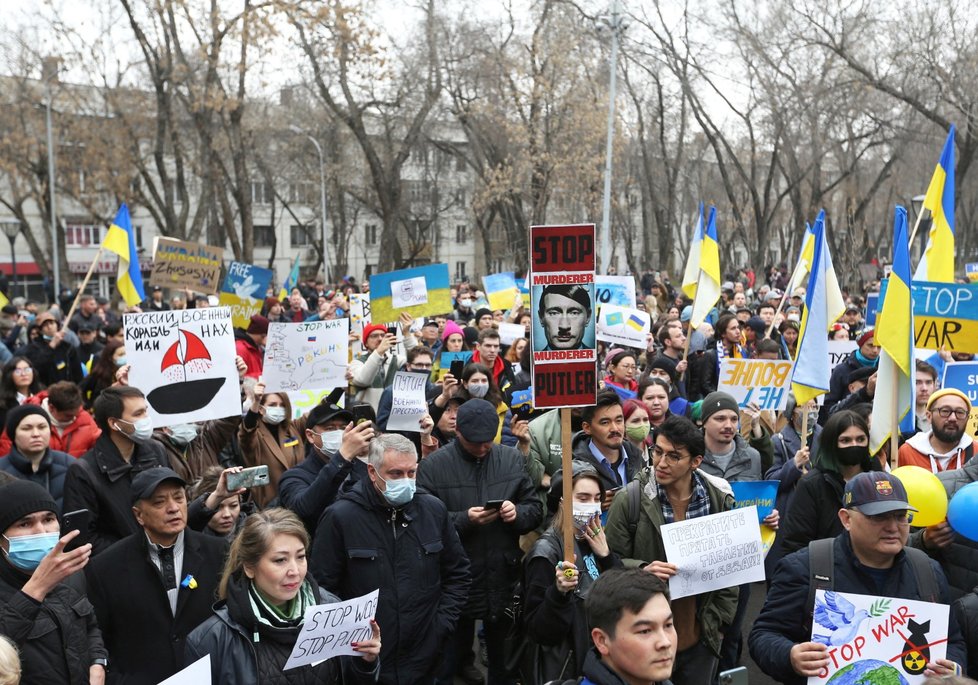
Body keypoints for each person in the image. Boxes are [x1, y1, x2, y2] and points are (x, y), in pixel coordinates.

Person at [749, 471, 966, 684]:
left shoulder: (927, 570)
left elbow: (953, 640)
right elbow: (764, 634)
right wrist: (790, 656)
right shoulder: (805, 567)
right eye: (878, 517)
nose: (892, 527)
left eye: (901, 516)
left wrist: (953, 667)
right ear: (846, 519)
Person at [312, 434, 470, 684]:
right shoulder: (341, 517)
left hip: (425, 658)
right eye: (396, 474)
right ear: (373, 473)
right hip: (367, 659)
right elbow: (322, 590)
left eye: (411, 473)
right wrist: (351, 641)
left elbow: (458, 574)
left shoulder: (433, 510)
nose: (406, 481)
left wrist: (441, 627)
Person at [417, 399, 542, 685]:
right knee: (448, 658)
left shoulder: (510, 459)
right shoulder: (434, 466)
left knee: (504, 662)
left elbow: (534, 509)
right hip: (454, 579)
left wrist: (516, 513)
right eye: (476, 443)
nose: (483, 448)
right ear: (458, 433)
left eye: (488, 442)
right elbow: (421, 523)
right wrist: (463, 520)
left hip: (503, 575)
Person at [604, 415, 736, 684]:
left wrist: (716, 625)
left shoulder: (717, 501)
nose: (661, 463)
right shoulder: (630, 500)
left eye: (674, 456)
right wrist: (641, 570)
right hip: (644, 643)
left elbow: (730, 571)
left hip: (699, 641)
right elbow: (608, 566)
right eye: (658, 452)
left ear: (695, 462)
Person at [186, 508, 380, 683]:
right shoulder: (211, 639)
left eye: (301, 556)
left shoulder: (331, 609)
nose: (294, 571)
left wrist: (365, 662)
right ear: (250, 568)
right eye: (280, 560)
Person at [86, 467, 228, 685]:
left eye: (179, 498)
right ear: (138, 515)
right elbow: (100, 638)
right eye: (159, 502)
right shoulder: (105, 567)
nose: (173, 508)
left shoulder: (218, 553)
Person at [522, 462, 623, 681]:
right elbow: (540, 631)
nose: (593, 506)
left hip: (600, 662)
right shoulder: (546, 553)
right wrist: (558, 594)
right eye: (583, 499)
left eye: (597, 499)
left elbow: (621, 598)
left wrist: (606, 557)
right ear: (563, 503)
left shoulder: (595, 539)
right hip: (569, 668)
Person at [0, 480, 106, 685]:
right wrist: (37, 587)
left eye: (49, 519)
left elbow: (90, 626)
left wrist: (98, 661)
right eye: (25, 524)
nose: (41, 531)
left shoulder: (72, 572)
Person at [62, 386, 170, 555]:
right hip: (121, 567)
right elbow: (82, 538)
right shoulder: (84, 471)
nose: (146, 419)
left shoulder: (156, 451)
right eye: (138, 414)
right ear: (113, 423)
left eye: (145, 412)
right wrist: (136, 551)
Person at [777, 410, 881, 559]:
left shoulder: (879, 479)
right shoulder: (812, 485)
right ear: (831, 443)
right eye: (845, 440)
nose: (854, 445)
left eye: (860, 439)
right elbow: (795, 544)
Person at [277, 402, 374, 535]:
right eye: (330, 428)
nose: (338, 433)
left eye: (343, 427)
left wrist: (365, 455)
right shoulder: (294, 476)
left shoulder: (359, 467)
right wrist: (342, 457)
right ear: (311, 436)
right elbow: (303, 510)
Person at [239, 378, 305, 508]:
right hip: (269, 507)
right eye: (273, 405)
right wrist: (256, 401)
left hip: (299, 500)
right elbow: (247, 432)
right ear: (261, 409)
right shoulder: (255, 434)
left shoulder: (293, 428)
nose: (278, 408)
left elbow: (317, 415)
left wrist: (340, 389)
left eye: (282, 405)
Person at [571, 389, 642, 505]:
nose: (615, 428)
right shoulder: (574, 467)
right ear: (587, 428)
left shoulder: (636, 457)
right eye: (605, 422)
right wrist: (591, 506)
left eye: (619, 420)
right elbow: (556, 516)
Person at [0, 405, 74, 512]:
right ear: (13, 434)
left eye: (42, 427)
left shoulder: (69, 465)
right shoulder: (2, 471)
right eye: (27, 428)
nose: (36, 434)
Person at [898, 388, 978, 472]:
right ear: (929, 416)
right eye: (945, 411)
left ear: (967, 418)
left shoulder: (976, 450)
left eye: (960, 412)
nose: (953, 418)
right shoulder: (908, 452)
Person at [822, 329, 879, 420]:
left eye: (879, 346)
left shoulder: (884, 369)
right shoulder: (841, 370)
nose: (875, 350)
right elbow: (829, 406)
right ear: (861, 345)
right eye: (870, 345)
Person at [187, 466, 255, 541]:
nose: (227, 514)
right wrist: (217, 496)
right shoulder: (190, 537)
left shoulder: (251, 530)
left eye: (233, 506)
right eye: (217, 507)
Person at [23, 312, 82, 386]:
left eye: (51, 323)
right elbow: (36, 367)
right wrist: (51, 346)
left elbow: (77, 374)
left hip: (66, 391)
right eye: (45, 325)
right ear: (40, 330)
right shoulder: (34, 347)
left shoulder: (68, 348)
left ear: (57, 325)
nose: (49, 327)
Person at [537, 284, 592, 351]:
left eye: (574, 313)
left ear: (588, 317)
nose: (564, 326)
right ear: (541, 318)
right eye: (554, 313)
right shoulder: (528, 360)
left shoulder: (600, 359)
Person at [0, 358, 42, 434]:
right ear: (9, 375)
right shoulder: (3, 403)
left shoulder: (42, 396)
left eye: (27, 370)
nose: (24, 374)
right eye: (18, 371)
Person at [79, 341, 125, 409]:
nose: (124, 357)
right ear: (110, 357)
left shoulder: (127, 372)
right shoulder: (99, 373)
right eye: (121, 355)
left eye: (125, 354)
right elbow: (80, 388)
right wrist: (88, 406)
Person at [234, 314, 267, 379]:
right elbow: (239, 377)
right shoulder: (241, 348)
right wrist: (262, 376)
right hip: (251, 387)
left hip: (256, 387)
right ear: (262, 335)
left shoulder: (256, 346)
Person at [622, 399, 652, 466]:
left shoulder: (654, 448)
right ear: (623, 425)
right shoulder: (618, 454)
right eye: (635, 421)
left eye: (645, 420)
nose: (642, 425)